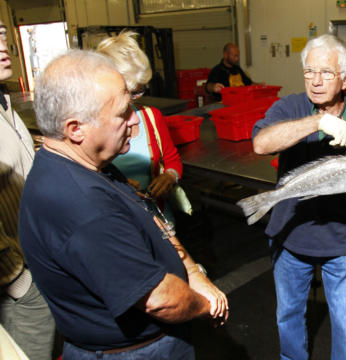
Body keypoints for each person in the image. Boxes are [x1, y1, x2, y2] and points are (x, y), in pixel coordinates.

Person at [18, 49, 228, 359]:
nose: (135, 121)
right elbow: (160, 299)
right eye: (122, 113)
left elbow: (150, 214)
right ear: (76, 129)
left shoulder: (89, 165)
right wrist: (204, 305)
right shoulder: (83, 207)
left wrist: (193, 274)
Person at [251, 34, 346, 360]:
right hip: (291, 234)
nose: (316, 81)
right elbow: (261, 143)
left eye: (326, 72)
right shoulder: (291, 106)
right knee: (289, 317)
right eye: (310, 71)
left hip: (342, 240)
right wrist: (317, 121)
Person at [0, 19, 56, 360]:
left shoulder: (5, 103)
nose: (3, 46)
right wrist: (17, 281)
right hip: (16, 283)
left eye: (2, 36)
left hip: (37, 262)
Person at [96, 31, 184, 222]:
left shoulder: (151, 117)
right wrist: (118, 185)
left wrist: (170, 175)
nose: (134, 101)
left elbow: (172, 159)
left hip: (157, 216)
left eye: (139, 91)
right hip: (118, 219)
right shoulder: (92, 126)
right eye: (130, 92)